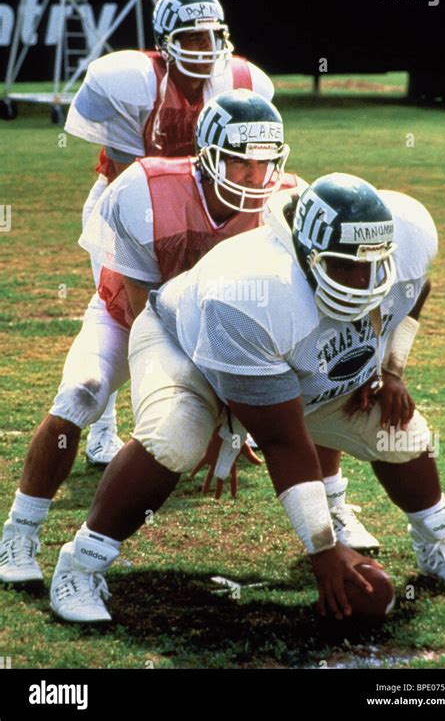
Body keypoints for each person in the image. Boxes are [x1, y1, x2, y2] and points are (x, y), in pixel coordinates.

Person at [47, 172, 445, 623]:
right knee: (175, 436)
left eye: (374, 263)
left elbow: (414, 292)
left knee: (400, 430)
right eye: (345, 265)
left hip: (290, 367)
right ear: (308, 255)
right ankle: (79, 564)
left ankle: (436, 541)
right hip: (185, 348)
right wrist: (323, 549)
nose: (364, 280)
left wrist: (390, 370)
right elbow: (284, 441)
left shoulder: (405, 239)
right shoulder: (255, 289)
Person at [0, 89, 298, 588]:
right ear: (209, 155)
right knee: (81, 392)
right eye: (241, 162)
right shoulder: (146, 189)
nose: (254, 176)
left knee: (321, 387)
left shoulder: (287, 203)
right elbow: (147, 320)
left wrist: (234, 417)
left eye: (264, 163)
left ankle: (332, 516)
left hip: (222, 332)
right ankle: (20, 531)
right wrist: (208, 411)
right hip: (132, 319)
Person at [65, 0, 274, 464]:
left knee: (225, 304)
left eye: (211, 35)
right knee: (128, 315)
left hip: (207, 206)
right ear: (164, 40)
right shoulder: (131, 81)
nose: (204, 48)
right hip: (127, 208)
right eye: (191, 37)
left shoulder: (241, 82)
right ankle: (110, 427)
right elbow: (128, 184)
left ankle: (233, 421)